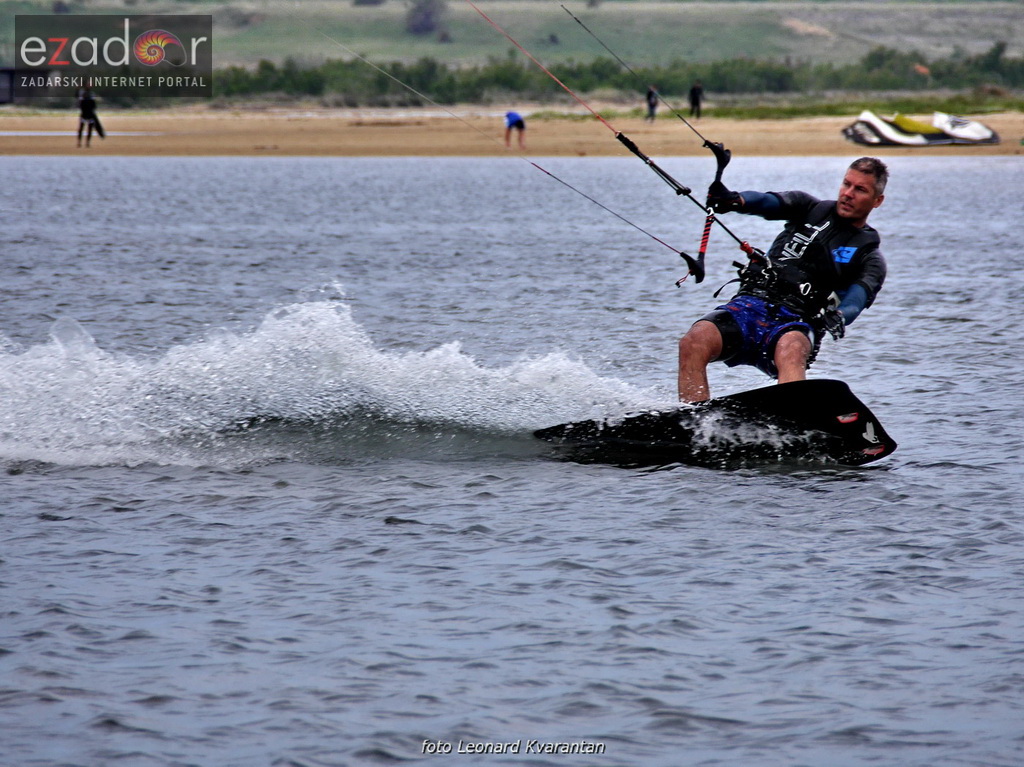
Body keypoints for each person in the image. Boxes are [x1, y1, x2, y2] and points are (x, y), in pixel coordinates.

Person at [676, 156, 888, 402]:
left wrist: (839, 316)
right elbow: (766, 202)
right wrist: (735, 200)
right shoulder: (808, 208)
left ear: (877, 200)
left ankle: (790, 419)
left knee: (791, 349)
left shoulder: (870, 258)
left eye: (860, 189)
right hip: (750, 306)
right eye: (846, 184)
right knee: (694, 341)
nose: (848, 194)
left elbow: (856, 300)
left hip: (797, 322)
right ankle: (696, 418)